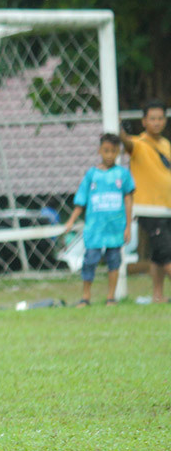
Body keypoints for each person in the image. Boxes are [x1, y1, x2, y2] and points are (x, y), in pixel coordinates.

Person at [63, 134, 135, 306]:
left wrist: (128, 226)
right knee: (90, 262)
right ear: (100, 150)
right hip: (95, 229)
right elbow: (81, 200)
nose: (109, 155)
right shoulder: (92, 175)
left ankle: (111, 297)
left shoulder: (123, 174)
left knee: (114, 262)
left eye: (113, 151)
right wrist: (71, 220)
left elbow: (128, 200)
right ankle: (85, 297)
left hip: (115, 228)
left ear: (118, 152)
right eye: (106, 151)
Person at [119, 101, 171, 303]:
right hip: (149, 209)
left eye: (160, 118)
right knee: (167, 251)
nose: (156, 123)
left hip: (166, 208)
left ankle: (157, 295)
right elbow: (126, 142)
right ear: (144, 121)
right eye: (152, 119)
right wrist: (119, 129)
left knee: (158, 254)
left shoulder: (166, 145)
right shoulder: (138, 144)